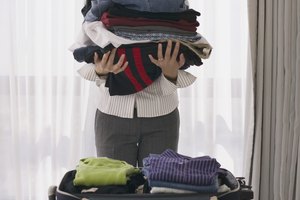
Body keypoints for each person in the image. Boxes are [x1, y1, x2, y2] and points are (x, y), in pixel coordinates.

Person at [80, 0, 197, 167]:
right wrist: (101, 70)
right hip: (112, 116)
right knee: (114, 188)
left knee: (159, 188)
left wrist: (170, 74)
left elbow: (183, 42)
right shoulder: (101, 12)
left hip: (162, 117)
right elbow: (89, 54)